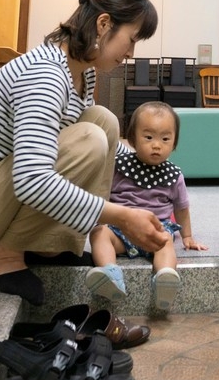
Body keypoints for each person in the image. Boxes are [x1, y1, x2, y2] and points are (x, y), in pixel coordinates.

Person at [0, 0, 171, 308]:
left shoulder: (84, 73)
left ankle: (52, 245)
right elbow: (32, 179)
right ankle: (5, 259)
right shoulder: (46, 74)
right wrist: (122, 216)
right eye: (131, 40)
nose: (130, 53)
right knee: (90, 137)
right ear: (103, 24)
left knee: (103, 122)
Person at [84, 101, 208, 310]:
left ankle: (164, 278)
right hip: (121, 229)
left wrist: (187, 236)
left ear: (174, 143)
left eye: (165, 139)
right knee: (99, 232)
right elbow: (103, 195)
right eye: (148, 137)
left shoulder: (174, 175)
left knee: (167, 240)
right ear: (132, 138)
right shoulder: (118, 166)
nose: (157, 145)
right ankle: (110, 273)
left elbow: (181, 208)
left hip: (155, 231)